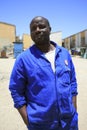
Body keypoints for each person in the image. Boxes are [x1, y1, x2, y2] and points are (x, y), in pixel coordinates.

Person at [9, 16, 78, 130]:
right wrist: (28, 121)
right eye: (33, 28)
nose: (37, 30)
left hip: (69, 123)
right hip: (41, 125)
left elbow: (72, 84)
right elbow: (16, 91)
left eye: (41, 26)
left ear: (49, 29)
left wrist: (74, 111)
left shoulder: (64, 54)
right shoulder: (23, 59)